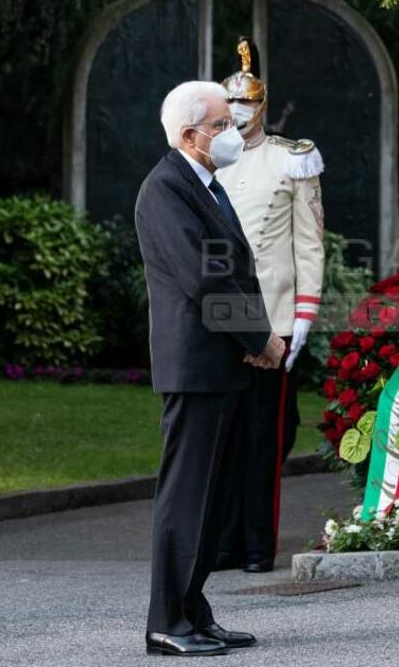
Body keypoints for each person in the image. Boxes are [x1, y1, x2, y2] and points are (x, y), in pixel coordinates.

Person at [135, 80, 285, 656]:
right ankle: (166, 622)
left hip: (222, 360)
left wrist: (253, 337)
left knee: (212, 499)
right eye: (221, 125)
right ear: (188, 135)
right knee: (187, 496)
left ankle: (194, 611)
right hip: (195, 365)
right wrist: (260, 337)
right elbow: (203, 280)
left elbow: (233, 270)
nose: (232, 132)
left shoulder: (205, 184)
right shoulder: (167, 188)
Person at [214, 38, 326, 573]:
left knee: (265, 435)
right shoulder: (209, 159)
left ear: (264, 106)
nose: (239, 115)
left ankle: (257, 546)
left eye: (248, 105)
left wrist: (304, 316)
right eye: (231, 105)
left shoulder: (292, 159)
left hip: (274, 313)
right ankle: (223, 541)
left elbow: (309, 244)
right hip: (223, 314)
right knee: (223, 435)